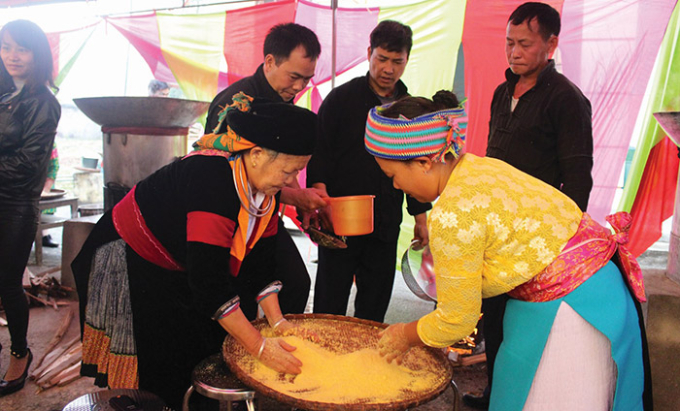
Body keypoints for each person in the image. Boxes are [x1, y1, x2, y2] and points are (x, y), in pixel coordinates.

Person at [368, 92, 649, 410]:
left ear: (423, 162)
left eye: (393, 176)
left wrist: (405, 334)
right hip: (602, 283)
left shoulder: (451, 213)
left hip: (573, 309)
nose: (395, 186)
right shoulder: (480, 167)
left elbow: (457, 321)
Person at [72, 93, 316, 409]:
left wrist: (278, 322)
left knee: (201, 339)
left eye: (298, 171)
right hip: (133, 253)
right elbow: (210, 286)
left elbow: (261, 264)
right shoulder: (212, 182)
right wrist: (259, 346)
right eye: (289, 171)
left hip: (179, 257)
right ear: (255, 154)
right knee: (158, 359)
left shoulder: (264, 191)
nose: (293, 181)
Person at [467, 3, 595, 408]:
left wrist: (563, 242)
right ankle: (494, 393)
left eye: (524, 44)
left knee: (526, 323)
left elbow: (578, 177)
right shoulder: (502, 92)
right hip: (496, 228)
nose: (514, 52)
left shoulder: (567, 100)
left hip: (539, 234)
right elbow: (491, 157)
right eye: (509, 43)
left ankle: (518, 398)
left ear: (552, 44)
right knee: (496, 313)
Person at [306, 20, 430, 323]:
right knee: (329, 301)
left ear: (407, 60)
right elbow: (320, 154)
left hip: (385, 221)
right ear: (369, 53)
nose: (388, 69)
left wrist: (421, 220)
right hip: (340, 220)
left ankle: (365, 361)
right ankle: (322, 356)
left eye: (396, 61)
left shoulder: (410, 110)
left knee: (374, 304)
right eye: (382, 59)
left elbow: (418, 167)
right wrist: (319, 200)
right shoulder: (340, 100)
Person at [206, 22, 326, 316]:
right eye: (294, 77)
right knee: (241, 293)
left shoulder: (284, 99)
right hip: (228, 216)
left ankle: (275, 342)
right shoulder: (236, 104)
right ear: (270, 62)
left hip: (265, 214)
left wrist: (301, 199)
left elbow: (284, 168)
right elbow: (223, 172)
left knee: (295, 283)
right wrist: (295, 197)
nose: (299, 87)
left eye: (307, 79)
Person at [0, 19, 61, 397]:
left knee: (8, 282)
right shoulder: (4, 94)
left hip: (15, 205)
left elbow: (28, 163)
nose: (12, 56)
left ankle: (21, 351)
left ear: (37, 54)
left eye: (21, 48)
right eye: (6, 47)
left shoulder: (44, 103)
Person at [41, 142, 60, 248]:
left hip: (43, 180)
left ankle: (44, 235)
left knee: (45, 208)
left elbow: (54, 166)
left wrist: (46, 189)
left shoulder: (50, 142)